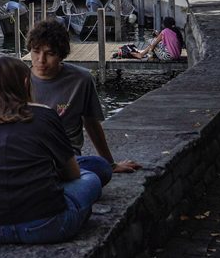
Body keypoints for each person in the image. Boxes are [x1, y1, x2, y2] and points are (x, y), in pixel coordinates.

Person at [0, 56, 103, 243]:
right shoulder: (45, 114)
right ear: (26, 81)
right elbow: (73, 173)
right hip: (48, 226)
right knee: (92, 177)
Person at [27, 20, 141, 185]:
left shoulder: (81, 80)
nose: (41, 60)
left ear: (61, 54)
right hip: (30, 155)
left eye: (49, 54)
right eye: (36, 52)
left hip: (67, 158)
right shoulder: (19, 79)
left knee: (101, 168)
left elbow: (92, 123)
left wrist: (111, 163)